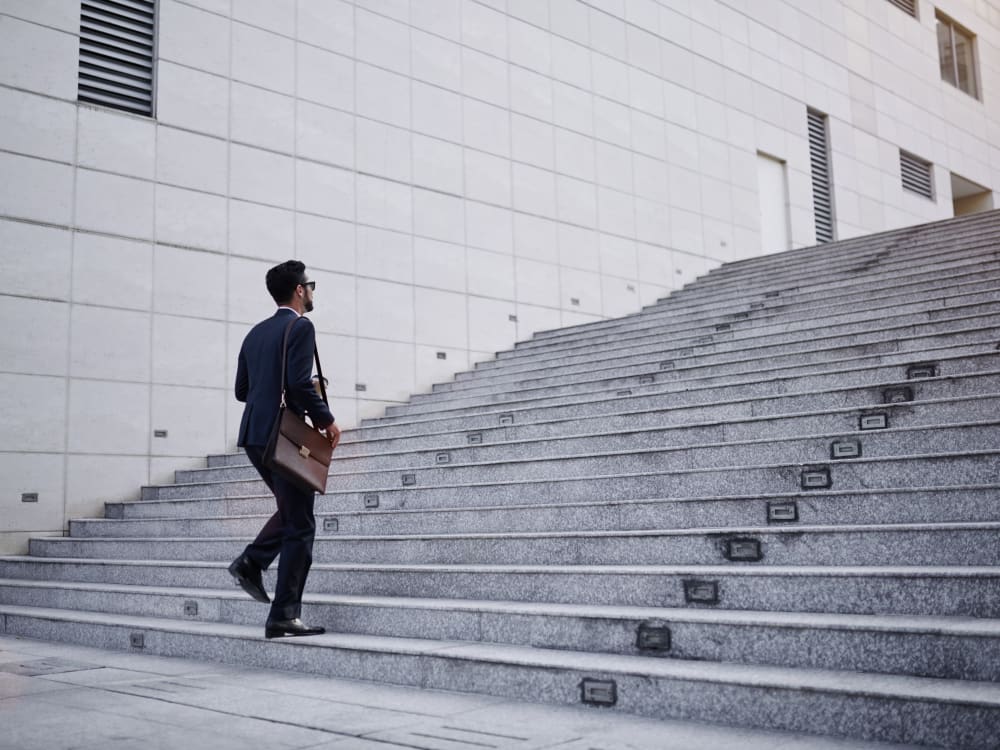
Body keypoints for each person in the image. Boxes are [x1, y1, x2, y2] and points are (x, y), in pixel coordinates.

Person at [228, 260, 340, 639]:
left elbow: (242, 391)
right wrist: (325, 418)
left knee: (292, 512)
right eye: (311, 285)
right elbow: (296, 385)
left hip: (254, 436)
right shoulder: (301, 326)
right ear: (299, 291)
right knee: (301, 525)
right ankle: (283, 613)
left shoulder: (255, 333)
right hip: (283, 436)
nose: (312, 292)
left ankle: (252, 562)